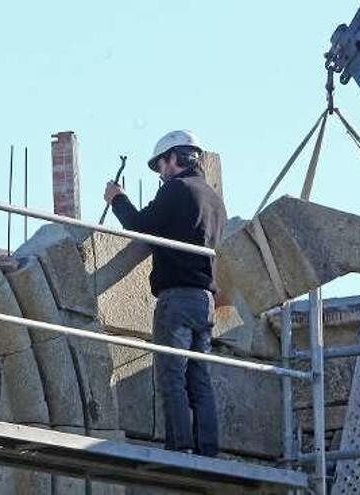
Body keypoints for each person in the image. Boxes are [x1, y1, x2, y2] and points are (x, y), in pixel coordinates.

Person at [103, 130, 226, 457]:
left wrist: (117, 199)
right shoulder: (214, 200)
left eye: (161, 165)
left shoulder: (176, 190)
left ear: (174, 158)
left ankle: (180, 448)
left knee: (172, 375)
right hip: (205, 301)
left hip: (178, 298)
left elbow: (141, 225)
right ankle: (207, 449)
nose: (160, 173)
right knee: (199, 378)